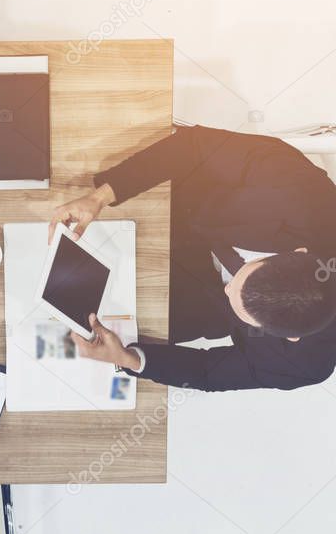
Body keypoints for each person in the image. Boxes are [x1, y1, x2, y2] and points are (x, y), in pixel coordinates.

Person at [50, 125, 336, 392]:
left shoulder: (307, 363)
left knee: (76, 326)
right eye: (243, 276)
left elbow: (209, 372)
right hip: (188, 210)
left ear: (291, 338)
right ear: (299, 253)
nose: (228, 286)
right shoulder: (301, 190)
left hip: (200, 304)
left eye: (244, 307)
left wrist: (128, 359)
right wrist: (99, 198)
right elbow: (194, 147)